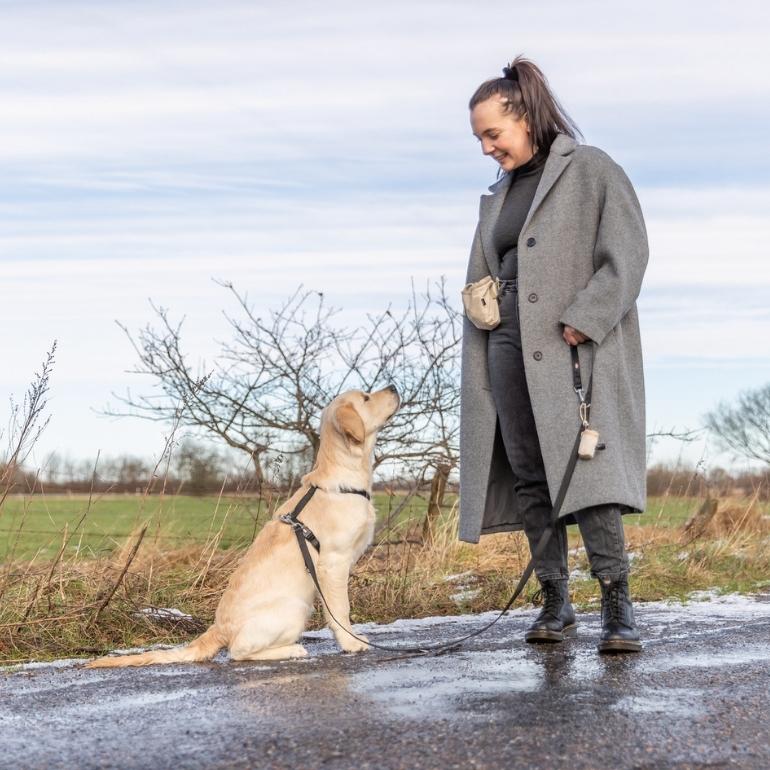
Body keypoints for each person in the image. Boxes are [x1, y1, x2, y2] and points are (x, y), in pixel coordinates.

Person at [459, 55, 649, 653]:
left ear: (525, 117)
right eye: (480, 138)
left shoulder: (590, 169)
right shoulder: (498, 194)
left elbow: (628, 255)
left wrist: (586, 318)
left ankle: (617, 606)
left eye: (493, 133)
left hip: (570, 342)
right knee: (529, 472)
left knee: (588, 470)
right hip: (506, 342)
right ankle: (555, 601)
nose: (487, 148)